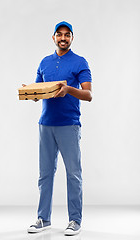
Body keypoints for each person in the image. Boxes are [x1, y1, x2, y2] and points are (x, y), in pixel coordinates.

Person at [26, 21, 92, 236]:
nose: (63, 38)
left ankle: (75, 220)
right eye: (59, 34)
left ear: (72, 38)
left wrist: (68, 89)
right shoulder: (44, 62)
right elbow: (38, 92)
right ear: (53, 38)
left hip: (69, 125)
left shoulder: (80, 62)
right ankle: (43, 219)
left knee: (73, 174)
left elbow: (88, 95)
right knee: (45, 174)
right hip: (45, 125)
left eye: (67, 35)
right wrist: (30, 91)